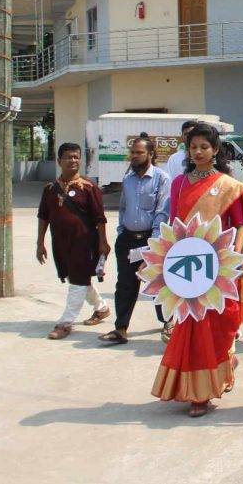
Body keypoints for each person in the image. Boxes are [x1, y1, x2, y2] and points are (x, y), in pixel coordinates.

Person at [152, 123, 243, 417]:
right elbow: (173, 225)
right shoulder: (179, 183)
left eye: (204, 147)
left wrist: (237, 259)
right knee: (191, 328)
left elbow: (241, 226)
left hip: (219, 266)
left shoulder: (228, 186)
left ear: (216, 150)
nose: (198, 152)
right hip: (188, 268)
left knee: (222, 324)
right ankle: (199, 392)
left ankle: (224, 363)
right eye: (193, 147)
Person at [99, 134, 170, 345]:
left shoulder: (162, 178)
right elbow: (123, 207)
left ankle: (168, 325)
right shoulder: (127, 178)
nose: (135, 156)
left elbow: (162, 213)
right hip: (128, 240)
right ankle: (120, 329)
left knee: (159, 284)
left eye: (139, 152)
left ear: (150, 154)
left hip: (151, 239)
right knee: (125, 285)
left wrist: (154, 245)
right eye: (132, 152)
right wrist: (122, 230)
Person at [37, 143, 111, 340]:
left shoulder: (89, 188)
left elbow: (100, 218)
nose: (73, 160)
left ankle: (65, 323)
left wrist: (103, 243)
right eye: (69, 157)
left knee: (77, 280)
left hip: (84, 243)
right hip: (60, 244)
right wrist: (40, 243)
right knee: (77, 278)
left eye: (77, 157)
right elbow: (43, 216)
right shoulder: (50, 189)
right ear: (59, 160)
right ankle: (102, 307)